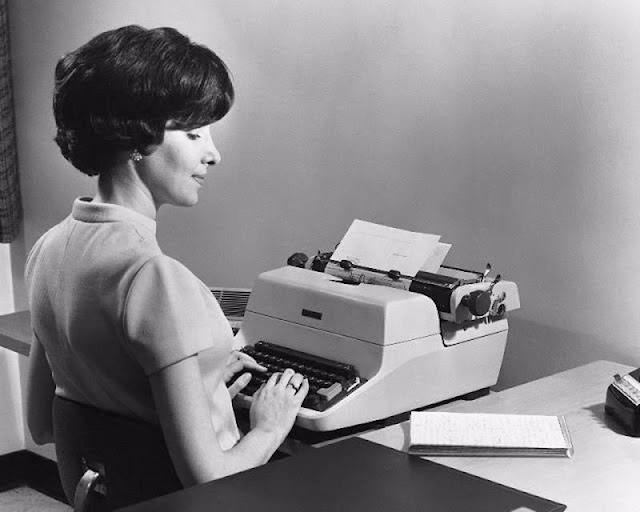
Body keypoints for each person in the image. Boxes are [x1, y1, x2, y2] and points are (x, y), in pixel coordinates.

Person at [25, 25, 309, 488]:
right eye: (195, 134)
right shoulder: (154, 278)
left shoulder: (49, 249)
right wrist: (269, 426)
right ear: (134, 138)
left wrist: (201, 376)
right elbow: (207, 477)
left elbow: (42, 422)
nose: (213, 153)